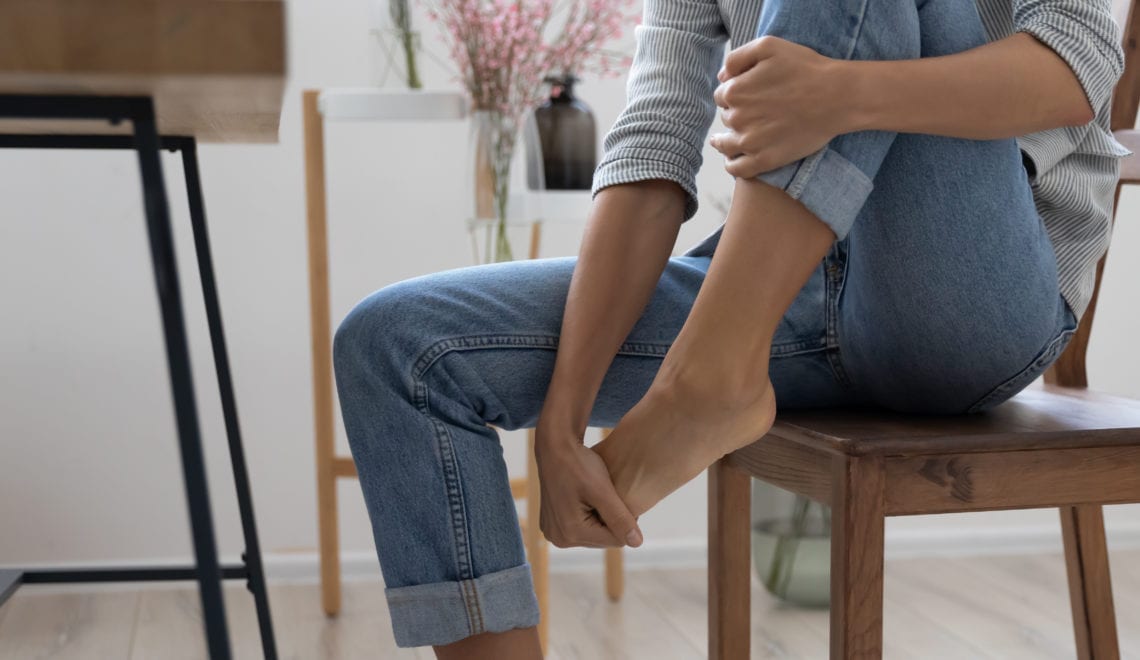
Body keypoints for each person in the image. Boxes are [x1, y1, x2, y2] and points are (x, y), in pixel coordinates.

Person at [332, 0, 1129, 656]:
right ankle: (719, 365)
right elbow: (652, 148)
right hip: (777, 288)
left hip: (966, 295)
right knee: (398, 346)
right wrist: (563, 417)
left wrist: (845, 93)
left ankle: (709, 379)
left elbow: (1074, 68)